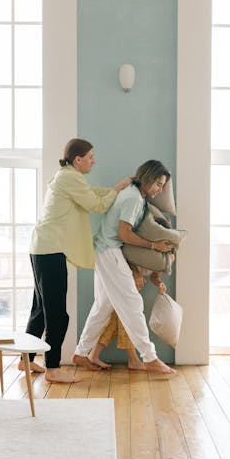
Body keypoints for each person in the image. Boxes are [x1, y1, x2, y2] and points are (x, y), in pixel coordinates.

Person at [23, 138, 132, 383]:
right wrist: (118, 189)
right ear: (78, 159)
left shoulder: (67, 176)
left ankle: (26, 359)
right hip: (49, 250)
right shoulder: (70, 178)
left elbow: (91, 193)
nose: (95, 161)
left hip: (41, 247)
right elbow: (98, 205)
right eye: (91, 157)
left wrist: (116, 188)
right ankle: (53, 369)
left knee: (41, 308)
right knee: (57, 313)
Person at [72, 160, 176, 375]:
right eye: (158, 183)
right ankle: (149, 357)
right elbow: (124, 234)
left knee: (103, 306)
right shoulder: (133, 198)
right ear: (147, 178)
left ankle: (81, 354)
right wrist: (153, 245)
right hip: (109, 251)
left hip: (102, 249)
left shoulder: (133, 194)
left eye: (163, 186)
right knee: (132, 302)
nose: (160, 189)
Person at [88, 266, 167, 371]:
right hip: (122, 277)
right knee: (127, 318)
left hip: (129, 281)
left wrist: (159, 283)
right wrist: (135, 273)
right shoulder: (151, 251)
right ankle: (133, 359)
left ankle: (94, 355)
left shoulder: (163, 258)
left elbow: (155, 276)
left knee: (116, 319)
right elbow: (127, 255)